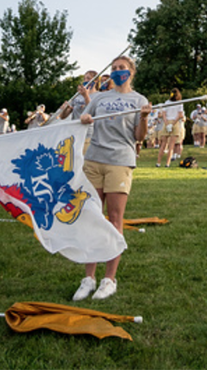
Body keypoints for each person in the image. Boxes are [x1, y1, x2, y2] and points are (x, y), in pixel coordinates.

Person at [74, 56, 151, 303]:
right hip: (94, 159)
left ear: (131, 72)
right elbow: (83, 119)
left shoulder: (139, 100)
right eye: (115, 68)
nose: (118, 72)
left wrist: (145, 117)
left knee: (115, 219)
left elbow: (139, 137)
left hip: (120, 160)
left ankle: (110, 279)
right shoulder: (99, 98)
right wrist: (84, 118)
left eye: (123, 68)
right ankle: (88, 278)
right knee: (92, 217)